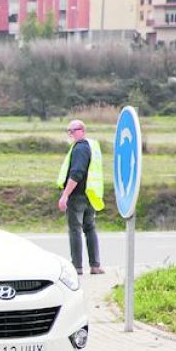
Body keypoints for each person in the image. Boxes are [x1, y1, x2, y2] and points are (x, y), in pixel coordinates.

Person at [57, 118, 104, 275]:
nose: (70, 134)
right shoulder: (92, 146)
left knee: (75, 230)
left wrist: (65, 195)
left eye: (73, 130)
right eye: (68, 131)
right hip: (90, 194)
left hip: (77, 196)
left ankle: (76, 267)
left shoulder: (79, 149)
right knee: (90, 229)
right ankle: (95, 266)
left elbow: (76, 173)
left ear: (82, 131)